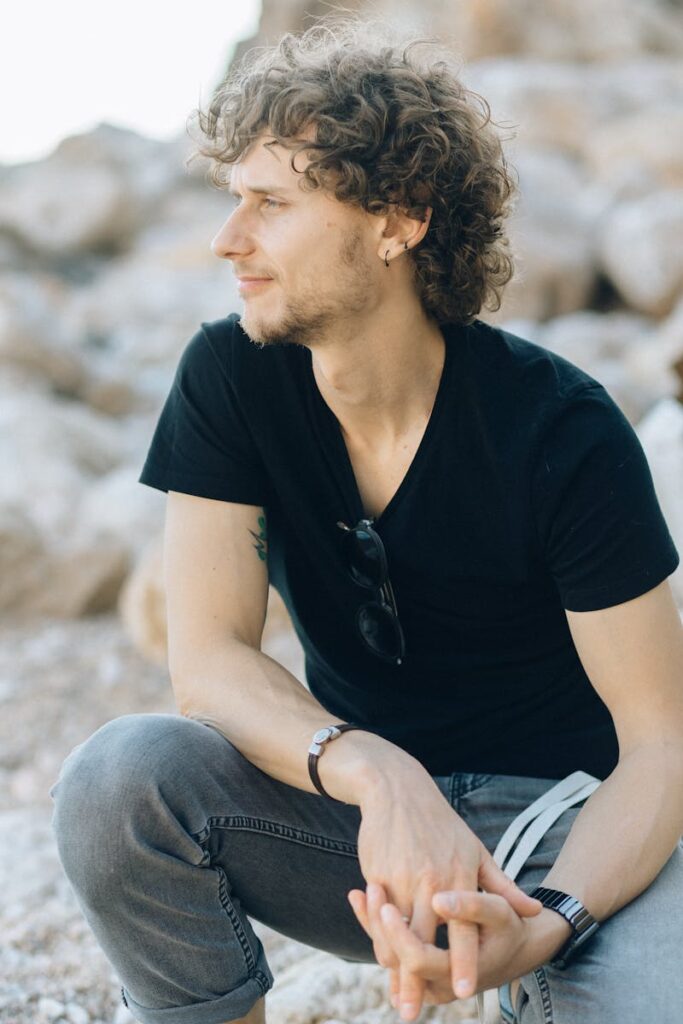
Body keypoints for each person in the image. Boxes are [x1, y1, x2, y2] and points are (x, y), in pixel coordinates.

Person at [50, 18, 683, 1024]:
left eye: (271, 202)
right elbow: (206, 660)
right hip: (357, 825)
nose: (228, 239)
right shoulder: (231, 376)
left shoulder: (561, 428)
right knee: (120, 780)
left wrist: (546, 921)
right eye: (231, 200)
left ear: (398, 219)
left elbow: (659, 744)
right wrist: (375, 771)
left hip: (570, 830)